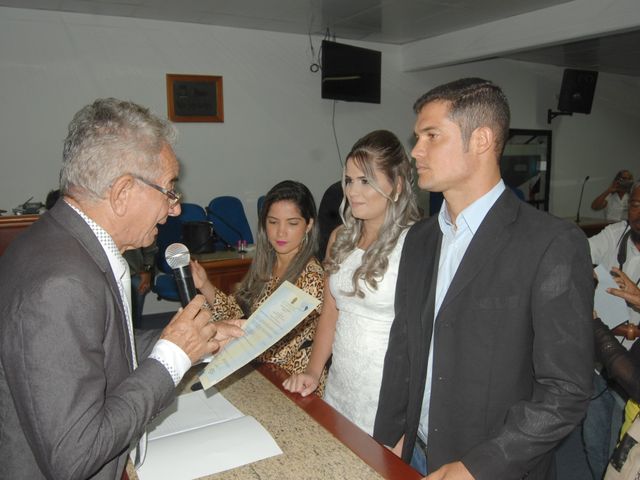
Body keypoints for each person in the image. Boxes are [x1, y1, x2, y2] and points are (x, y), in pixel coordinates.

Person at [0, 98, 243, 480]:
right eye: (169, 190)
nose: (175, 209)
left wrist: (196, 341)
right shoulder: (61, 284)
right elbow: (75, 457)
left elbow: (92, 348)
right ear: (123, 192)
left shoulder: (58, 241)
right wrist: (172, 358)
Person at [373, 78, 594, 479]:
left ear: (481, 140)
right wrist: (387, 438)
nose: (415, 151)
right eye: (417, 137)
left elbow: (566, 392)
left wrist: (478, 467)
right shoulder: (420, 239)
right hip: (412, 453)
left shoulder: (551, 243)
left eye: (431, 136)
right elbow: (404, 348)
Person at [283, 130, 421, 437]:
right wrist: (313, 372)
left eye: (366, 181)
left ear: (397, 185)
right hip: (341, 383)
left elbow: (421, 338)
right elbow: (330, 313)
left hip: (385, 393)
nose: (352, 191)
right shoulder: (339, 238)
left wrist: (405, 423)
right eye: (348, 180)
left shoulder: (416, 243)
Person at [191, 180, 326, 387]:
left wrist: (218, 343)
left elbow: (272, 345)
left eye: (292, 223)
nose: (280, 232)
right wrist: (204, 284)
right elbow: (239, 317)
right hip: (261, 372)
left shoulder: (311, 277)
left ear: (308, 225)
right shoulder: (268, 264)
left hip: (292, 381)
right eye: (273, 222)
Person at [590, 180, 640, 327]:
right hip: (602, 341)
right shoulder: (614, 233)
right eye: (636, 205)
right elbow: (575, 253)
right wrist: (587, 273)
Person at [123, 243, 157, 325]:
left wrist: (147, 270)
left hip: (135, 271)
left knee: (133, 319)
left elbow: (149, 247)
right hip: (104, 271)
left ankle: (134, 332)